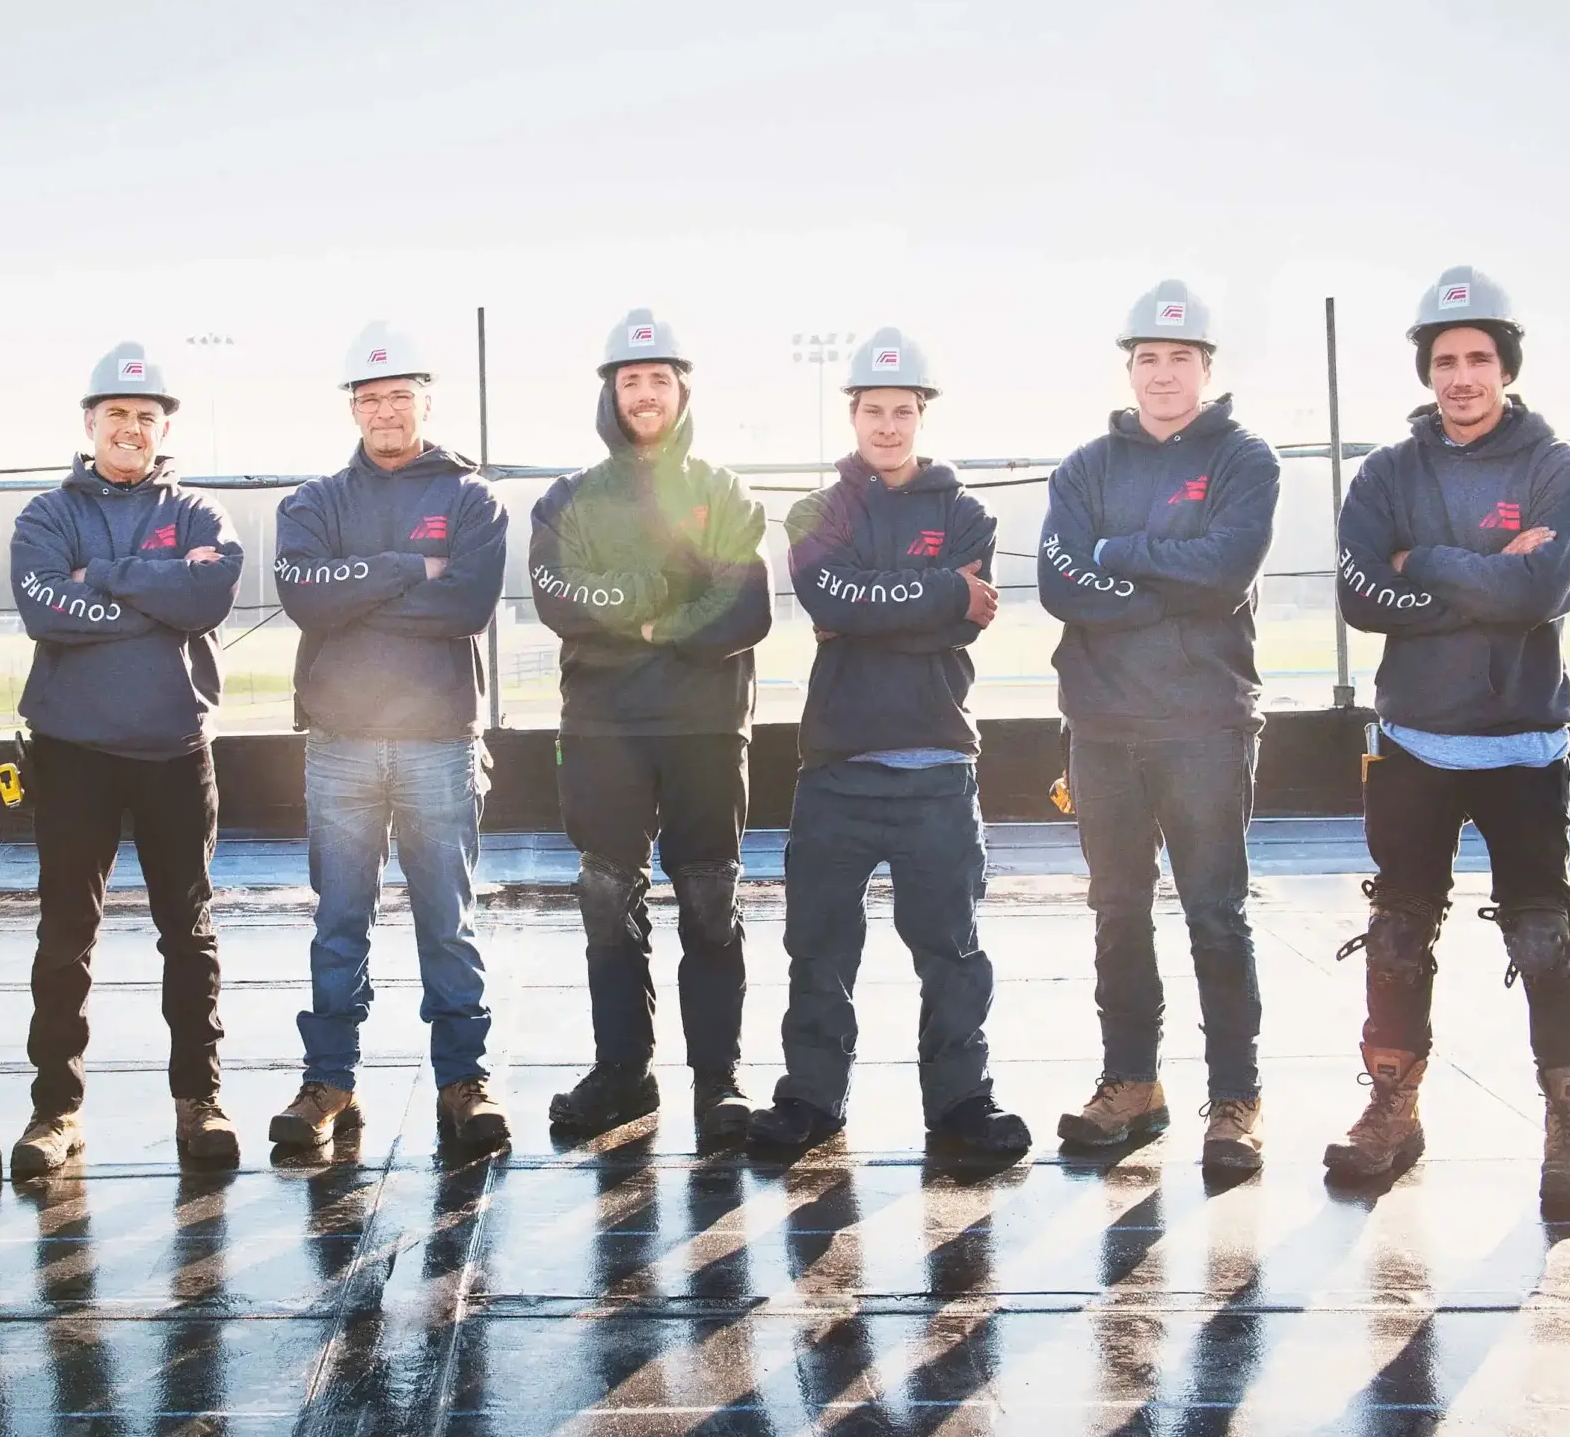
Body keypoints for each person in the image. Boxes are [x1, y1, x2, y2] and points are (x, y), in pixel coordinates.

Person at [1322, 265, 1570, 1220]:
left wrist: (1422, 567)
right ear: (1426, 370)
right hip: (1414, 743)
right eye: (1445, 359)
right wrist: (1482, 569)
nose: (1462, 375)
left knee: (1543, 931)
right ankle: (1392, 1110)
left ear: (1506, 364)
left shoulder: (1556, 466)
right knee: (1398, 928)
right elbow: (1362, 596)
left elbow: (1538, 594)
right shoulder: (1389, 471)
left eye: (1479, 357)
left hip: (1525, 744)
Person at [746, 329, 1030, 1159]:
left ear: (921, 414)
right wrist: (937, 595)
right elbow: (830, 604)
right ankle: (811, 1098)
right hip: (838, 763)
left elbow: (951, 622)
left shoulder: (968, 513)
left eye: (903, 410)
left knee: (950, 950)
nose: (889, 424)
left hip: (938, 766)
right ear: (854, 413)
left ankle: (959, 1104)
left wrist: (886, 606)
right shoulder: (814, 509)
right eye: (874, 409)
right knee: (818, 947)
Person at [1038, 281, 1283, 1175]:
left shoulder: (1245, 461)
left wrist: (1120, 558)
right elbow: (1062, 582)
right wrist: (1162, 587)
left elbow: (1225, 572)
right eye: (1149, 357)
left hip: (1206, 725)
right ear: (1129, 366)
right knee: (1117, 914)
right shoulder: (1085, 466)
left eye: (1181, 357)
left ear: (1208, 368)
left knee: (1216, 915)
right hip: (1102, 725)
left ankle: (1235, 1099)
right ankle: (1132, 1085)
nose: (1164, 372)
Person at [268, 324, 512, 1155]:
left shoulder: (471, 499)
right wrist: (410, 568)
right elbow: (307, 596)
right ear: (351, 406)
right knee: (340, 919)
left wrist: (358, 584)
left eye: (399, 395)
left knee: (448, 921)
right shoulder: (312, 502)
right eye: (368, 397)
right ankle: (328, 1080)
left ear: (426, 400)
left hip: (438, 741)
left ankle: (463, 1081)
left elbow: (469, 606)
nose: (383, 410)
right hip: (340, 740)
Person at [529, 308, 772, 1140]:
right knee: (607, 897)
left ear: (682, 390)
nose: (644, 393)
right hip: (603, 728)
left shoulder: (721, 490)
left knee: (710, 899)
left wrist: (640, 621)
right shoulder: (568, 499)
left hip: (706, 725)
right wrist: (666, 594)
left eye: (658, 380)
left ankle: (719, 1080)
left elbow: (745, 605)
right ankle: (624, 1073)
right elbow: (561, 597)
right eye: (630, 380)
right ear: (610, 392)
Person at [5, 345, 246, 1175]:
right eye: (117, 415)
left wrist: (104, 578)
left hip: (177, 751)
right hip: (73, 752)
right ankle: (55, 1109)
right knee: (66, 932)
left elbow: (208, 595)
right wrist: (157, 598)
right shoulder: (46, 514)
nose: (132, 429)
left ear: (165, 426)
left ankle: (198, 1100)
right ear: (89, 423)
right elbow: (45, 608)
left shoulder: (202, 516)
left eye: (147, 417)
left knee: (190, 931)